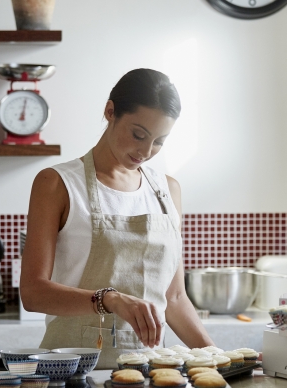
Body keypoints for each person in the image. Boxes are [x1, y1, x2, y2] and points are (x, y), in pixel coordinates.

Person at [20, 68, 214, 368]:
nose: (146, 151)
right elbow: (33, 293)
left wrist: (219, 358)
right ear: (110, 111)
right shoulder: (56, 183)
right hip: (72, 372)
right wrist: (108, 299)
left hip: (149, 370)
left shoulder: (167, 190)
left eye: (159, 141)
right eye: (138, 134)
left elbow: (174, 299)